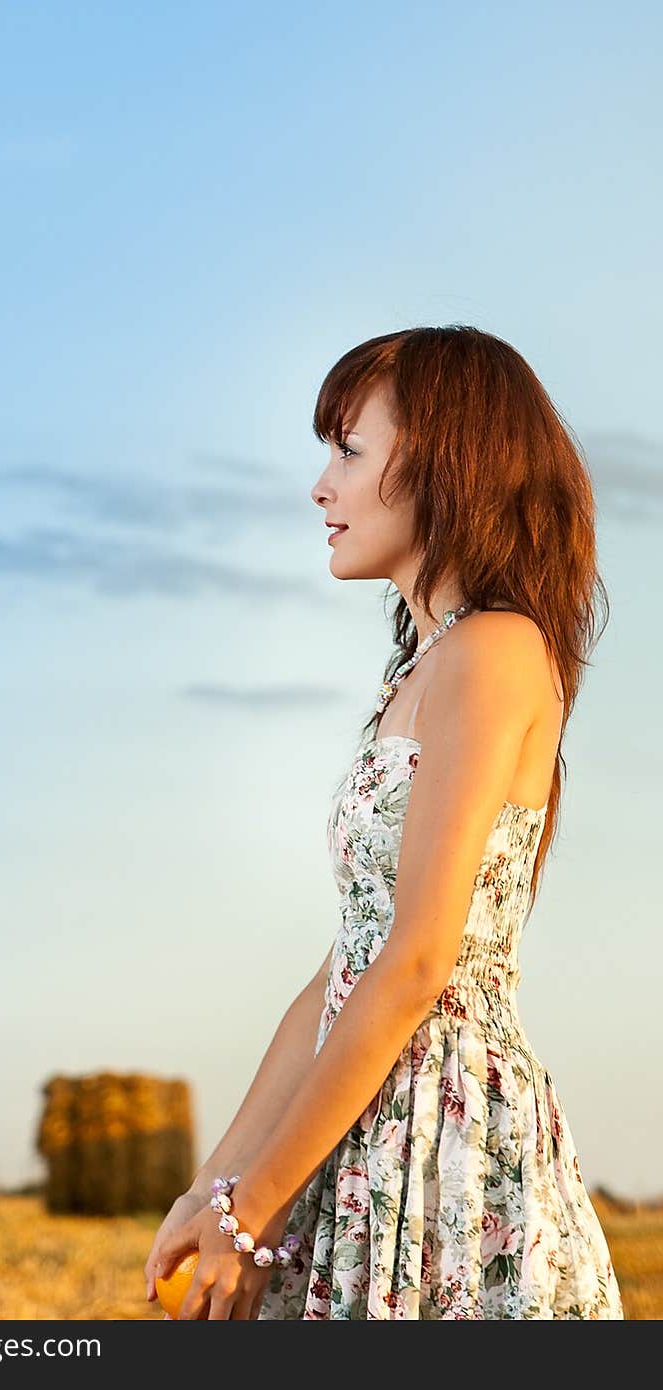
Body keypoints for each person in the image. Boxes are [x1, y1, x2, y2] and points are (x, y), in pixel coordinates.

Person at [144, 325, 624, 1320]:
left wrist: (251, 1213)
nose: (320, 487)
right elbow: (343, 971)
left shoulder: (493, 651)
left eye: (348, 451)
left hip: (443, 1150)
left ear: (446, 467)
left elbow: (415, 963)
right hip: (363, 1128)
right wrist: (215, 1185)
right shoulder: (415, 671)